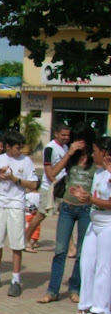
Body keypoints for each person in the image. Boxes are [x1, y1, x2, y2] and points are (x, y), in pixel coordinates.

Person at [0, 131, 39, 297]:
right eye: (17, 148)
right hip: (0, 203)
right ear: (8, 147)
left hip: (16, 205)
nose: (20, 151)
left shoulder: (26, 161)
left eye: (21, 148)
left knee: (16, 244)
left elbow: (33, 184)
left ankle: (16, 280)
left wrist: (15, 179)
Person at [37, 124, 95, 304]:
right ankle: (52, 290)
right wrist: (69, 153)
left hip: (86, 209)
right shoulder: (70, 156)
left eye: (80, 139)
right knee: (60, 250)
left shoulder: (95, 159)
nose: (78, 143)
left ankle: (75, 288)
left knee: (81, 253)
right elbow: (52, 173)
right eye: (74, 139)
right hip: (67, 208)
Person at [74, 137, 111, 314]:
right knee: (87, 262)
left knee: (104, 266)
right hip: (94, 222)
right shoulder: (98, 172)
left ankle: (101, 308)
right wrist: (83, 194)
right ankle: (86, 303)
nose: (92, 154)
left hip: (108, 225)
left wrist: (91, 200)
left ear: (104, 153)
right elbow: (95, 196)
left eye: (95, 150)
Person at [25, 123, 71, 245]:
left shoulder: (66, 148)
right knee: (40, 215)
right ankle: (26, 239)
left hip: (61, 186)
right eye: (63, 135)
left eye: (67, 135)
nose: (65, 137)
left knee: (66, 215)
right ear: (56, 134)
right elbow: (48, 171)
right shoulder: (50, 148)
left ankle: (70, 246)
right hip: (49, 187)